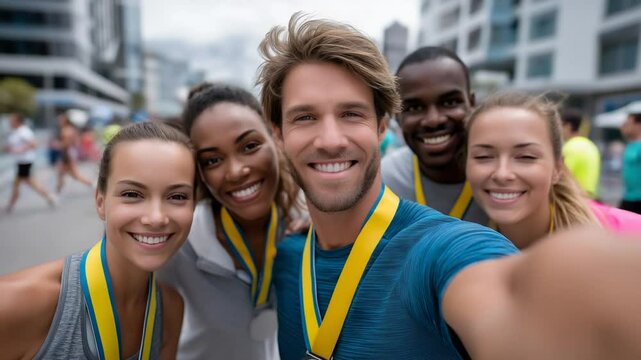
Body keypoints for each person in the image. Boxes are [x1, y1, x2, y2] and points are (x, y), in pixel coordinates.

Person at [257, 13, 641, 360]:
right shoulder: (288, 256)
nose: (330, 139)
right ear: (278, 133)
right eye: (305, 117)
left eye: (351, 114)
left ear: (380, 126)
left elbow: (504, 300)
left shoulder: (439, 251)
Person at [0, 121, 194, 359]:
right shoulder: (15, 304)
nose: (156, 218)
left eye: (177, 196)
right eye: (132, 194)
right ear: (100, 202)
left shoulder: (170, 309)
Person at [158, 82, 301, 360]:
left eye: (249, 146)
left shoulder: (312, 224)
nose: (235, 172)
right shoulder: (179, 241)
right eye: (212, 160)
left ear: (275, 137)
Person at [465, 91, 641, 249]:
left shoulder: (630, 239)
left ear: (557, 168)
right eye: (483, 156)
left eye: (526, 157)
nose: (502, 174)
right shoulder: (457, 249)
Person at [381, 46, 487, 223]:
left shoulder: (503, 176)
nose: (433, 120)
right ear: (397, 116)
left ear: (472, 104)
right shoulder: (384, 181)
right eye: (414, 108)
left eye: (450, 102)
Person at [3, 113, 57, 213]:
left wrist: (20, 149)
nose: (10, 122)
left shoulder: (24, 131)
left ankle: (11, 204)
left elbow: (33, 143)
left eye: (12, 120)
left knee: (22, 183)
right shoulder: (16, 132)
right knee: (25, 183)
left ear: (17, 121)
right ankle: (49, 196)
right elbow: (10, 146)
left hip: (25, 161)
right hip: (21, 161)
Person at [560, 108, 601, 198]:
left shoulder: (570, 147)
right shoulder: (590, 145)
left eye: (559, 125)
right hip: (591, 198)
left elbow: (561, 175)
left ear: (568, 126)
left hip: (576, 198)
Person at [56, 111, 93, 193]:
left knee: (74, 174)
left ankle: (92, 183)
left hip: (68, 153)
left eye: (60, 120)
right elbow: (76, 141)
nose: (59, 122)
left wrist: (58, 145)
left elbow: (67, 143)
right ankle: (58, 189)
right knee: (61, 171)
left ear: (65, 121)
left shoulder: (66, 130)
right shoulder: (70, 129)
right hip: (69, 152)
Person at [619, 105, 641, 214]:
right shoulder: (630, 145)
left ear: (638, 125)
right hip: (628, 198)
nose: (623, 127)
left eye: (628, 123)